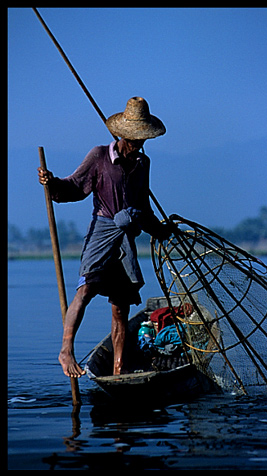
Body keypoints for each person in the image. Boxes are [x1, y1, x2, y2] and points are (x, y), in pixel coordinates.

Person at [38, 97, 172, 378]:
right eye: (134, 138)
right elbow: (74, 187)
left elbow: (143, 207)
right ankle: (66, 350)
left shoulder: (143, 163)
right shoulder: (100, 156)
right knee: (85, 290)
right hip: (102, 231)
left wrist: (160, 230)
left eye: (142, 138)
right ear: (123, 134)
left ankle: (119, 369)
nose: (138, 143)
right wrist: (52, 184)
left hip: (126, 238)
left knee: (121, 308)